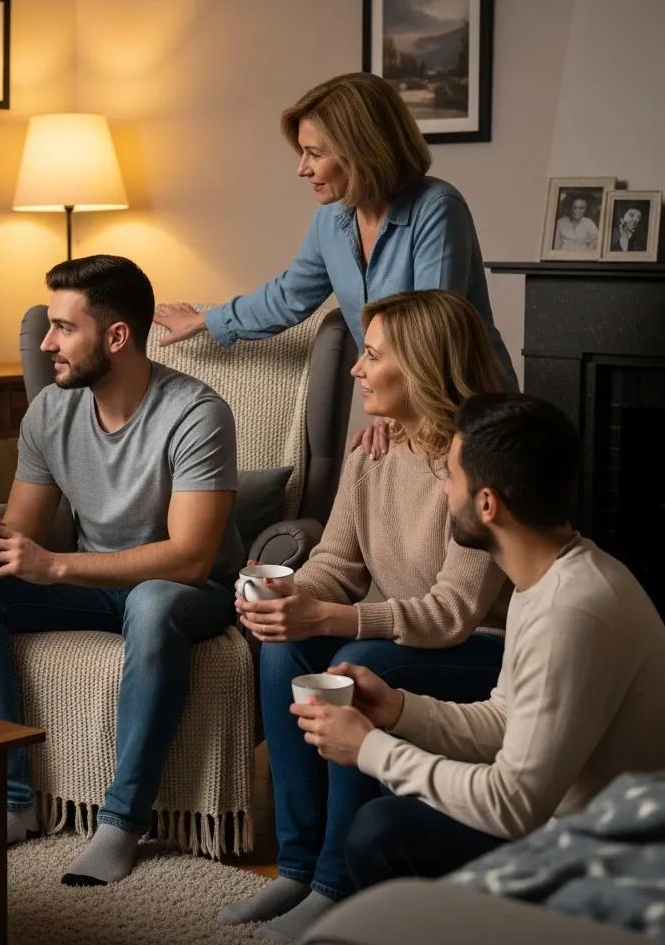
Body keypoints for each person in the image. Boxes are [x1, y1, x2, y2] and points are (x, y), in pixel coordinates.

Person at [0, 255, 244, 886]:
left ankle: (121, 822)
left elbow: (190, 556)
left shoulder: (196, 413)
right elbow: (23, 527)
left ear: (116, 337)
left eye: (62, 327)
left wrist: (53, 566)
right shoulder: (51, 410)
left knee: (154, 602)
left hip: (190, 589)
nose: (46, 343)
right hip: (94, 584)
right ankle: (10, 800)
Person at [219, 289, 510, 943]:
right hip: (405, 637)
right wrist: (293, 599)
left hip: (484, 648)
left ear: (421, 367)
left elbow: (454, 612)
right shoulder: (374, 448)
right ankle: (297, 866)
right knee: (282, 647)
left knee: (357, 665)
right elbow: (337, 562)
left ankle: (335, 883)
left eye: (372, 355)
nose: (356, 367)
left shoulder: (476, 463)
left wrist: (334, 619)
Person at [294, 393, 665, 893]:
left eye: (449, 476)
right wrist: (397, 712)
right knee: (401, 779)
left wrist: (367, 748)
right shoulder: (555, 577)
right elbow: (507, 719)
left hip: (600, 854)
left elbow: (513, 805)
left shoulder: (571, 612)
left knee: (381, 830)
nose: (444, 490)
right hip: (560, 823)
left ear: (486, 504)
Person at [153, 71, 516, 456]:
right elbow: (290, 294)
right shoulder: (332, 219)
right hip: (405, 413)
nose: (302, 168)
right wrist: (206, 321)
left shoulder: (438, 208)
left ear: (361, 149)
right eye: (302, 152)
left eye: (315, 153)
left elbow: (428, 332)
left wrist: (393, 415)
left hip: (470, 413)